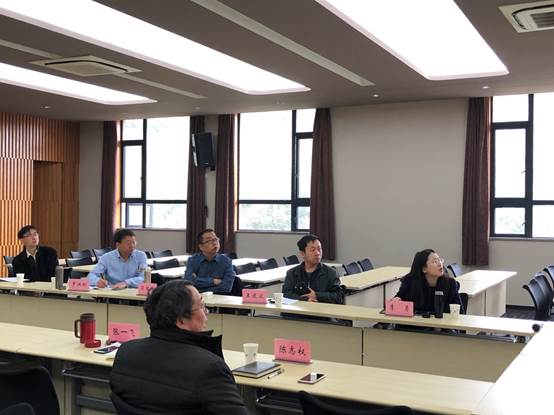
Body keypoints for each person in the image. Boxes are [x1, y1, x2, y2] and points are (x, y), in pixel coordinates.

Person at [110, 280, 250, 414]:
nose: (206, 312)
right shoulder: (210, 368)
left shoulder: (125, 352)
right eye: (201, 306)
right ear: (181, 320)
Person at [395, 249, 463, 314]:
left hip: (442, 322)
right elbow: (397, 300)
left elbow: (460, 312)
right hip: (415, 322)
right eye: (435, 261)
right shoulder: (409, 281)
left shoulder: (450, 283)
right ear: (424, 269)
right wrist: (397, 300)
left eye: (439, 260)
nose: (440, 264)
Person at [282, 234, 344, 304]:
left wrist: (317, 296)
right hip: (299, 309)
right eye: (313, 250)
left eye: (319, 249)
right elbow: (285, 295)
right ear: (302, 253)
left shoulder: (331, 273)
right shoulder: (292, 273)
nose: (317, 253)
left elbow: (338, 297)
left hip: (322, 309)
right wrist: (304, 299)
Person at [184, 229, 239, 295]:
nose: (215, 243)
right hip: (197, 298)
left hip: (219, 298)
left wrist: (200, 286)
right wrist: (213, 281)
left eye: (216, 239)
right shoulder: (192, 261)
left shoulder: (226, 261)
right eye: (209, 241)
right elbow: (189, 282)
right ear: (201, 247)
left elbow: (226, 287)